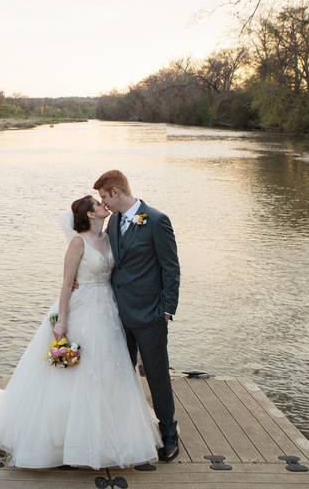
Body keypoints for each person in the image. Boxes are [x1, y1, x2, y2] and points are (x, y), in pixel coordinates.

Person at [0, 194, 162, 469]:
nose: (104, 205)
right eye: (98, 204)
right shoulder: (78, 243)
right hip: (81, 311)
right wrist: (62, 321)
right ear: (90, 215)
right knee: (74, 372)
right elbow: (67, 284)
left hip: (107, 309)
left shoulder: (108, 237)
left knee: (109, 368)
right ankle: (65, 439)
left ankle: (108, 433)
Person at [93, 169, 180, 462]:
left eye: (104, 196)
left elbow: (171, 268)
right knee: (121, 372)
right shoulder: (114, 221)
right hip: (117, 313)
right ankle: (124, 428)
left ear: (116, 192)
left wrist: (166, 310)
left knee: (156, 374)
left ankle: (169, 431)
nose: (103, 202)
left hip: (150, 315)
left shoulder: (156, 220)